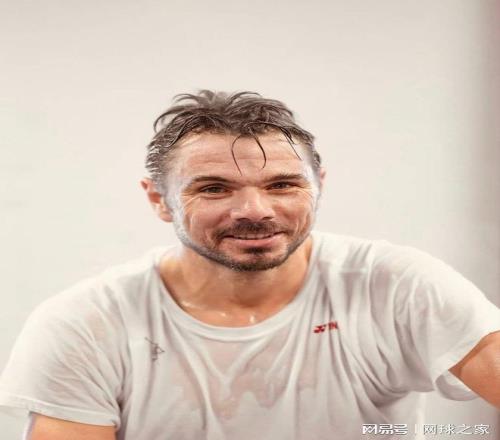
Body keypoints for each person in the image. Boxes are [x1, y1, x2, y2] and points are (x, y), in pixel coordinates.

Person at [0, 90, 499, 440]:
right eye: (214, 188)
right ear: (158, 200)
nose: (255, 211)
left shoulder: (397, 286)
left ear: (318, 186)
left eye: (282, 185)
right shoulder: (85, 323)